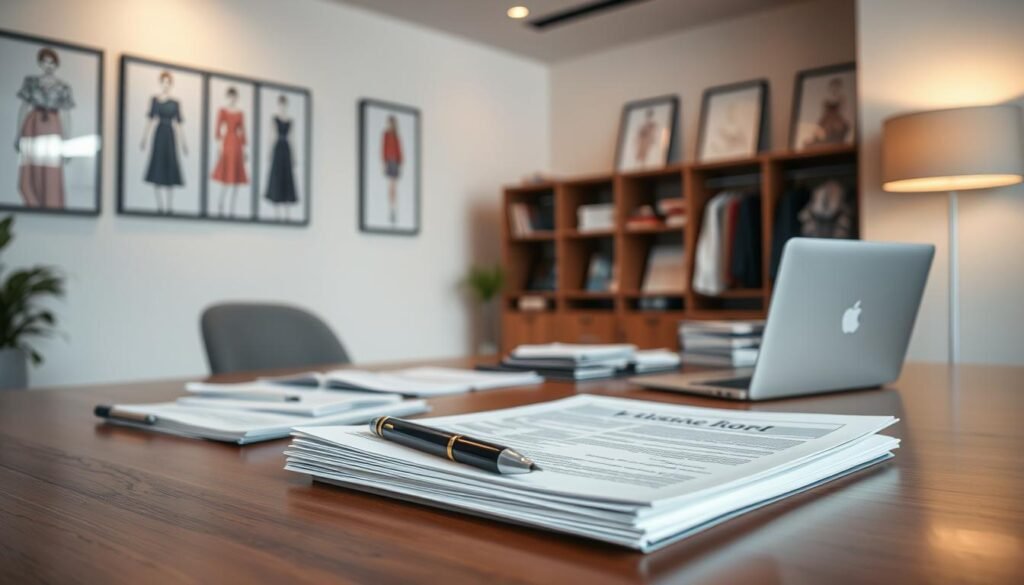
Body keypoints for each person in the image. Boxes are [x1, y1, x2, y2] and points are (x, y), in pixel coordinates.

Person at [15, 47, 74, 209]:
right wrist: (18, 134)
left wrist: (67, 142)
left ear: (56, 64)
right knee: (30, 170)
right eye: (45, 62)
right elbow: (23, 107)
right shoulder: (31, 82)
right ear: (40, 63)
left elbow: (66, 114)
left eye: (52, 62)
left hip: (53, 128)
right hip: (32, 126)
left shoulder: (63, 87)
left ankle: (51, 205)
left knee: (51, 173)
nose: (48, 65)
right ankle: (33, 202)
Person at [139, 70, 187, 214]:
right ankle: (160, 206)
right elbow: (150, 120)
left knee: (170, 167)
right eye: (163, 82)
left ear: (171, 84)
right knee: (158, 166)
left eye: (168, 82)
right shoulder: (155, 100)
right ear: (161, 83)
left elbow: (179, 124)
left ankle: (169, 206)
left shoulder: (175, 103)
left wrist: (184, 143)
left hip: (170, 135)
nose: (165, 85)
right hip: (159, 134)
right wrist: (144, 138)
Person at [211, 86, 248, 217]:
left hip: (237, 145)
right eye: (230, 96)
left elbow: (242, 132)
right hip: (227, 143)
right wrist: (219, 147)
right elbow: (218, 130)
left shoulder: (240, 113)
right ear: (228, 97)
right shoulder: (223, 111)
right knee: (227, 177)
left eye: (234, 96)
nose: (232, 99)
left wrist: (244, 150)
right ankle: (221, 203)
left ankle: (232, 206)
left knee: (236, 178)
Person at [264, 94, 298, 221]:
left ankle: (287, 212)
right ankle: (277, 212)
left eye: (284, 104)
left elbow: (293, 139)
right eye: (280, 104)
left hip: (286, 150)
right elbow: (271, 137)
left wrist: (294, 156)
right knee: (277, 177)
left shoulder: (290, 121)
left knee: (287, 178)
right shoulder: (274, 119)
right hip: (278, 150)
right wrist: (269, 152)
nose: (282, 107)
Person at [804, 77, 851, 148]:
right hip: (826, 120)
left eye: (836, 86)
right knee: (820, 132)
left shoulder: (841, 98)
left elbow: (843, 111)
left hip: (836, 120)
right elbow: (823, 112)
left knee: (836, 128)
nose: (834, 89)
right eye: (833, 86)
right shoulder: (826, 98)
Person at [381, 115, 403, 224]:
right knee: (390, 185)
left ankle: (393, 208)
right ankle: (391, 208)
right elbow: (384, 148)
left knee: (393, 185)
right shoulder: (386, 135)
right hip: (389, 161)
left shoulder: (396, 136)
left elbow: (399, 149)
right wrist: (385, 161)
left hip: (395, 162)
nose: (390, 125)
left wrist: (400, 161)